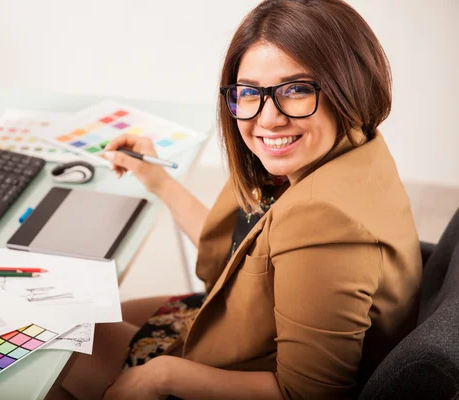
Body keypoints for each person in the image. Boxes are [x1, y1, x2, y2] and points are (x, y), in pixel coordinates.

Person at [52, 0, 422, 398]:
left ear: (349, 86)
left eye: (296, 89)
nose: (268, 118)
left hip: (248, 369)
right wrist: (157, 179)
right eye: (250, 92)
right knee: (75, 319)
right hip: (246, 327)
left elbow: (308, 394)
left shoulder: (324, 220)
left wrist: (161, 377)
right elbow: (239, 254)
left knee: (50, 342)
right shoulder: (351, 148)